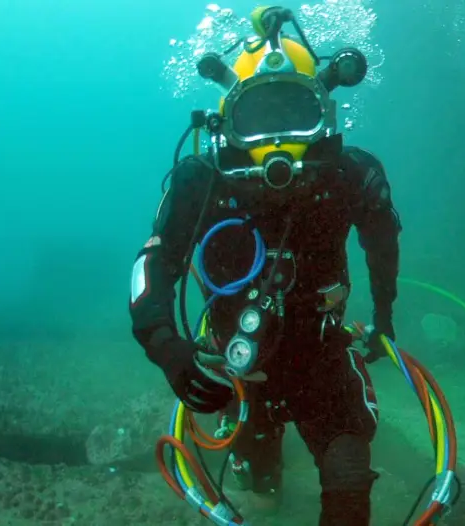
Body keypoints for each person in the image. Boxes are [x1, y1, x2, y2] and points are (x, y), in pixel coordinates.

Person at [128, 8, 400, 524]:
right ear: (228, 122)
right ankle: (267, 472)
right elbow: (154, 262)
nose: (277, 143)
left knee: (347, 477)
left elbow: (383, 245)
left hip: (320, 352)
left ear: (324, 113)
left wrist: (383, 318)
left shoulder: (350, 176)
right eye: (257, 120)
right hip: (239, 360)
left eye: (295, 114)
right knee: (260, 481)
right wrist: (165, 345)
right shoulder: (200, 181)